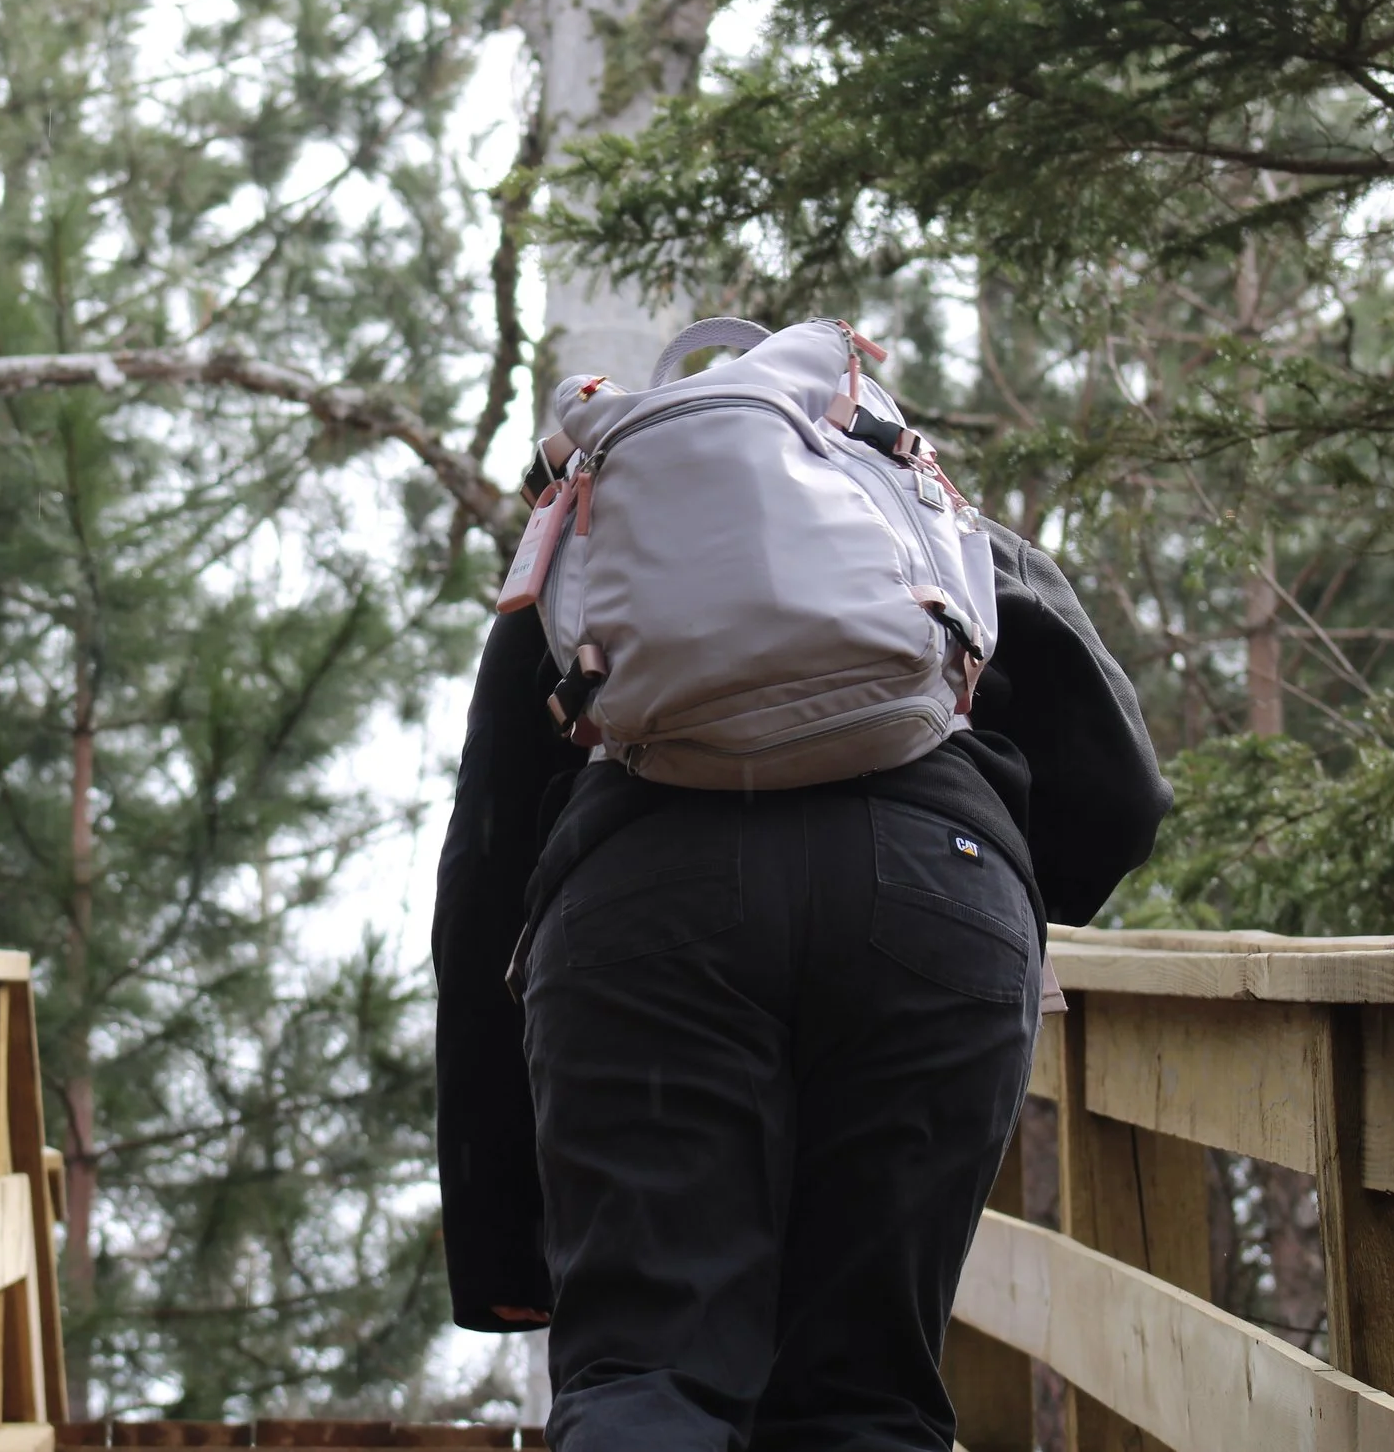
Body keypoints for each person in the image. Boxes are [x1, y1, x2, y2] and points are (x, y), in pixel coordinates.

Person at [433, 514, 1170, 1451]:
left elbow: (484, 878)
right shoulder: (936, 519)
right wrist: (987, 865)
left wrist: (504, 1247)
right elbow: (1120, 806)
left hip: (647, 904)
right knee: (863, 1395)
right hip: (932, 896)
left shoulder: (591, 537)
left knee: (647, 1375)